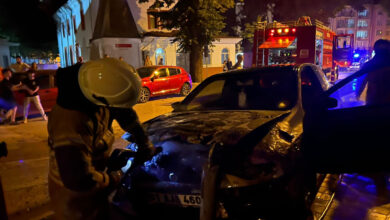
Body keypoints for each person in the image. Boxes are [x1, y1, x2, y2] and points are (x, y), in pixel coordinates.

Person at [48, 58, 160, 219]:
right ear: (101, 98)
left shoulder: (102, 90)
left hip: (96, 184)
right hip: (74, 200)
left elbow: (125, 114)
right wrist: (115, 177)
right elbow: (77, 177)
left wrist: (144, 142)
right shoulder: (70, 119)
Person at [358, 39, 390, 105]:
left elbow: (361, 83)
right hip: (374, 105)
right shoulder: (369, 65)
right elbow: (361, 83)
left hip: (373, 104)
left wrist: (357, 95)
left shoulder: (369, 65)